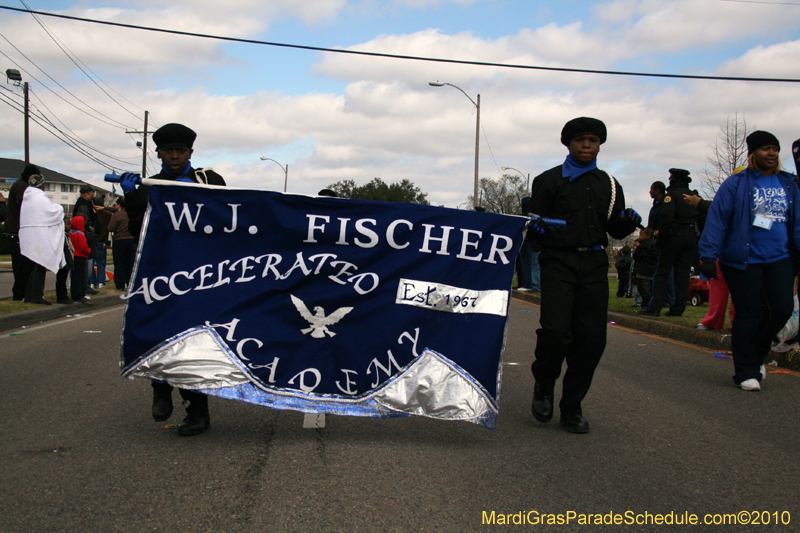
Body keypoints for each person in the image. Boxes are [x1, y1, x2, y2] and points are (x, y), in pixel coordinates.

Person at [528, 117, 641, 433]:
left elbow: (614, 227)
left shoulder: (609, 183)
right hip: (558, 264)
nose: (587, 145)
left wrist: (628, 221)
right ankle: (544, 384)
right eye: (580, 140)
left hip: (593, 267)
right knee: (555, 332)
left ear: (600, 144)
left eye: (593, 140)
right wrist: (536, 229)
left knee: (591, 340)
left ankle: (572, 406)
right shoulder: (548, 181)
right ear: (568, 144)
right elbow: (532, 232)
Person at [120, 123, 225, 437]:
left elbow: (227, 218)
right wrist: (133, 197)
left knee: (193, 344)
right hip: (160, 274)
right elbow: (141, 232)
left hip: (198, 276)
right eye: (168, 151)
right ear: (159, 153)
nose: (174, 156)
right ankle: (160, 386)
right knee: (156, 335)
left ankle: (197, 412)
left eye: (180, 151)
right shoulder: (149, 186)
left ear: (191, 152)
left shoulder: (209, 180)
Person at [698, 130, 800, 391]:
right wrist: (708, 255)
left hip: (780, 257)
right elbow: (718, 219)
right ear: (753, 153)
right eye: (766, 148)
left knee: (782, 309)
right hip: (743, 260)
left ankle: (756, 353)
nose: (772, 153)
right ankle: (746, 371)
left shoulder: (788, 184)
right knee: (748, 313)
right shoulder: (736, 183)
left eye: (775, 149)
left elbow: (797, 223)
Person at [640, 169, 699, 317]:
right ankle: (677, 309)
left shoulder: (671, 196)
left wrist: (661, 239)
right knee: (683, 274)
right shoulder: (694, 196)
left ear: (674, 179)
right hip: (690, 235)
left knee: (662, 272)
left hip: (673, 236)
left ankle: (654, 308)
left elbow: (666, 219)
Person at [19, 174, 67, 305]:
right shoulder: (39, 197)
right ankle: (36, 296)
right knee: (40, 265)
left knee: (35, 266)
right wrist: (60, 207)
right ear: (42, 185)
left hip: (28, 235)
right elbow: (52, 212)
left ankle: (29, 295)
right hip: (40, 235)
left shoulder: (27, 198)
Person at [4, 164, 40, 301]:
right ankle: (20, 293)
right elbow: (23, 205)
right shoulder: (22, 187)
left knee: (24, 265)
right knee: (22, 265)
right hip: (17, 231)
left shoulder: (21, 185)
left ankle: (23, 292)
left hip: (18, 230)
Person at [107, 197, 135, 290]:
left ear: (119, 205)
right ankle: (130, 283)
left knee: (119, 263)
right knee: (130, 263)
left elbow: (110, 228)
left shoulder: (117, 215)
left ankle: (120, 285)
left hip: (119, 239)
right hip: (131, 240)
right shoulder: (132, 214)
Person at [90, 195, 113, 289]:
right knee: (101, 263)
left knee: (91, 263)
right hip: (102, 240)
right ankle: (101, 282)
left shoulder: (91, 214)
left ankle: (92, 282)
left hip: (92, 240)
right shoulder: (107, 215)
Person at [68, 215, 92, 303]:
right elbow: (83, 248)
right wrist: (89, 250)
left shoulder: (70, 233)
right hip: (81, 257)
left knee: (74, 277)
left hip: (73, 257)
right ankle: (79, 294)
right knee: (81, 277)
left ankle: (74, 294)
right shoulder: (80, 235)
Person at [633, 228, 658, 308]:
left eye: (641, 234)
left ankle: (646, 305)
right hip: (653, 270)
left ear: (648, 236)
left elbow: (636, 256)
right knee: (651, 289)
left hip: (643, 270)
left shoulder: (643, 246)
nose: (640, 236)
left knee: (643, 290)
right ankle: (650, 304)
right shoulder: (655, 244)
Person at [56, 216, 74, 305]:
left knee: (64, 279)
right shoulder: (60, 236)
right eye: (68, 224)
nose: (70, 226)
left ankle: (64, 295)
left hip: (66, 260)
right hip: (62, 261)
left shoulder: (66, 235)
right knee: (61, 279)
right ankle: (61, 296)